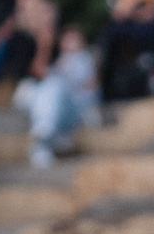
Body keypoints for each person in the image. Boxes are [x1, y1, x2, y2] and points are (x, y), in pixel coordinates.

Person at [14, 24, 95, 168]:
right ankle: (47, 135)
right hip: (57, 109)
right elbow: (39, 72)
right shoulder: (58, 61)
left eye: (75, 39)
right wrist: (44, 45)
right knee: (36, 90)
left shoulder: (83, 59)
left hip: (73, 110)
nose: (71, 43)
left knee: (52, 86)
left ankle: (45, 134)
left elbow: (87, 89)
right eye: (68, 39)